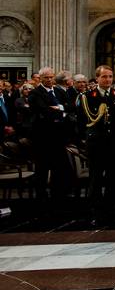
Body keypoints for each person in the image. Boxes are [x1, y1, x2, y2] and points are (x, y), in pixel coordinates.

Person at [80, 66, 115, 226]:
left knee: (113, 179)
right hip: (97, 144)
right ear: (97, 79)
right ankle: (95, 212)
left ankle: (112, 210)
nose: (108, 80)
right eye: (104, 77)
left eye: (110, 77)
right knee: (95, 179)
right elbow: (83, 121)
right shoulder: (88, 96)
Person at [28, 67, 70, 200]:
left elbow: (72, 106)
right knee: (42, 169)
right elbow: (44, 112)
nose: (49, 79)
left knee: (60, 169)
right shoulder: (35, 93)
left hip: (59, 137)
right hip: (43, 138)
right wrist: (62, 111)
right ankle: (41, 198)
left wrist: (59, 108)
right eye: (46, 77)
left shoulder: (59, 91)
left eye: (51, 77)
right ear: (40, 78)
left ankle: (57, 195)